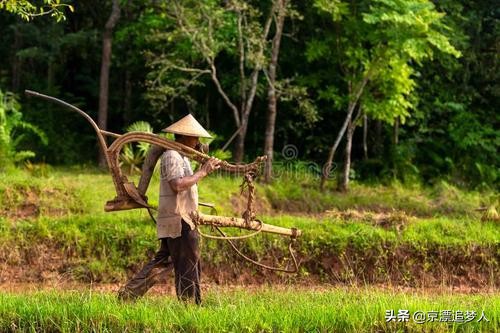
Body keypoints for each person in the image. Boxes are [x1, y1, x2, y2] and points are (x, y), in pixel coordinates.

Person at [118, 114, 221, 304]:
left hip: (182, 219)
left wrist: (201, 165)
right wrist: (203, 171)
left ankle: (128, 295)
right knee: (188, 265)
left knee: (164, 262)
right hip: (179, 221)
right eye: (195, 137)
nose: (197, 142)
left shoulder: (182, 157)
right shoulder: (171, 156)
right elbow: (177, 185)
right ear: (183, 136)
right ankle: (190, 306)